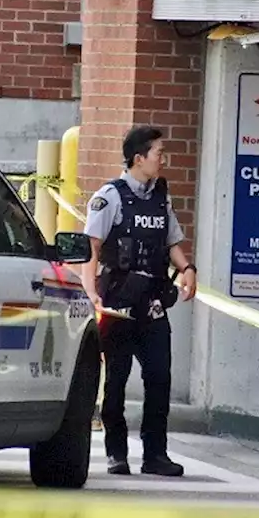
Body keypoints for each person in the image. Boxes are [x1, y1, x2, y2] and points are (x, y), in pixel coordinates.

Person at [81, 125, 197, 477]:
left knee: (159, 378)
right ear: (139, 158)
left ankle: (155, 455)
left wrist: (187, 267)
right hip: (118, 303)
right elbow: (92, 247)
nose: (163, 159)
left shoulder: (161, 195)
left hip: (153, 303)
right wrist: (90, 291)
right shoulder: (109, 197)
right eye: (159, 153)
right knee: (116, 379)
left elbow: (171, 241)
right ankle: (116, 452)